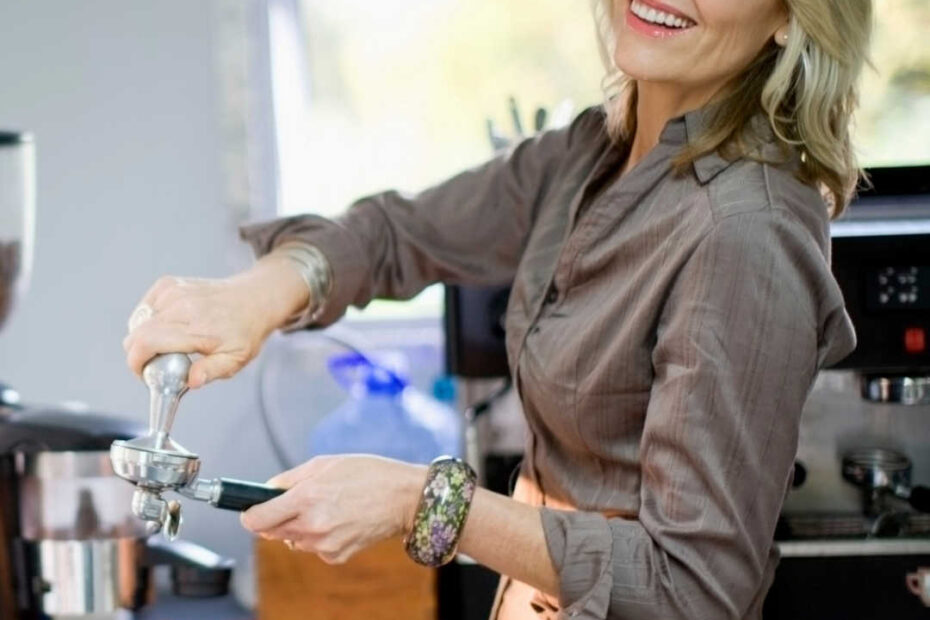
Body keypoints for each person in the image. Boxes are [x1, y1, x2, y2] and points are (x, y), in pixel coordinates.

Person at [122, 0, 872, 617]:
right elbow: (395, 234)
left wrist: (418, 501)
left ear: (791, 15)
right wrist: (254, 295)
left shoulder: (744, 233)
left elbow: (693, 587)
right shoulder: (589, 155)